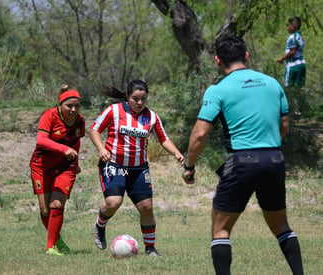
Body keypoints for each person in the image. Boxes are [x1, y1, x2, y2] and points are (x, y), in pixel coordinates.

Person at [182, 36, 303, 275]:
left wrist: (189, 166)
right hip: (275, 159)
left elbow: (199, 134)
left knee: (221, 229)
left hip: (241, 162)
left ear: (217, 60)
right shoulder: (272, 84)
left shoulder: (218, 90)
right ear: (246, 56)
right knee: (281, 226)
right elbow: (285, 127)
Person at [90, 79, 184, 256]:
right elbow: (94, 130)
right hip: (113, 165)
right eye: (135, 99)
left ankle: (150, 249)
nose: (139, 103)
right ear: (127, 97)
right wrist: (101, 149)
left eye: (143, 99)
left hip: (138, 169)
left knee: (146, 207)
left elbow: (163, 139)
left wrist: (176, 153)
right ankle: (99, 225)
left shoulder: (152, 117)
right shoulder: (113, 111)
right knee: (113, 202)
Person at [29, 85, 85, 256]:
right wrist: (63, 149)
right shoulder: (49, 116)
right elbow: (41, 140)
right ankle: (56, 238)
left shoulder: (80, 121)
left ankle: (50, 247)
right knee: (45, 210)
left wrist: (74, 159)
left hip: (65, 167)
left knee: (57, 205)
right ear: (60, 105)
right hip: (41, 166)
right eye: (69, 106)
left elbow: (75, 142)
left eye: (77, 106)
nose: (73, 109)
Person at [276, 16, 306, 88]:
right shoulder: (300, 36)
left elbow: (293, 51)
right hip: (301, 64)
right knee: (299, 88)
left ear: (293, 27)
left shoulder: (292, 37)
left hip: (293, 65)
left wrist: (281, 59)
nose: (287, 28)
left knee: (288, 88)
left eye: (288, 25)